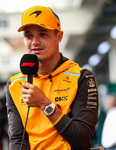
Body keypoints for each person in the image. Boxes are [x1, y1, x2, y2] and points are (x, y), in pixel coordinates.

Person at [6, 5, 98, 150]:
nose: (35, 42)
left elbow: (83, 139)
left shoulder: (81, 77)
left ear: (59, 37)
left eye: (42, 34)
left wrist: (45, 105)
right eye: (28, 35)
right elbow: (18, 139)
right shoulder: (15, 84)